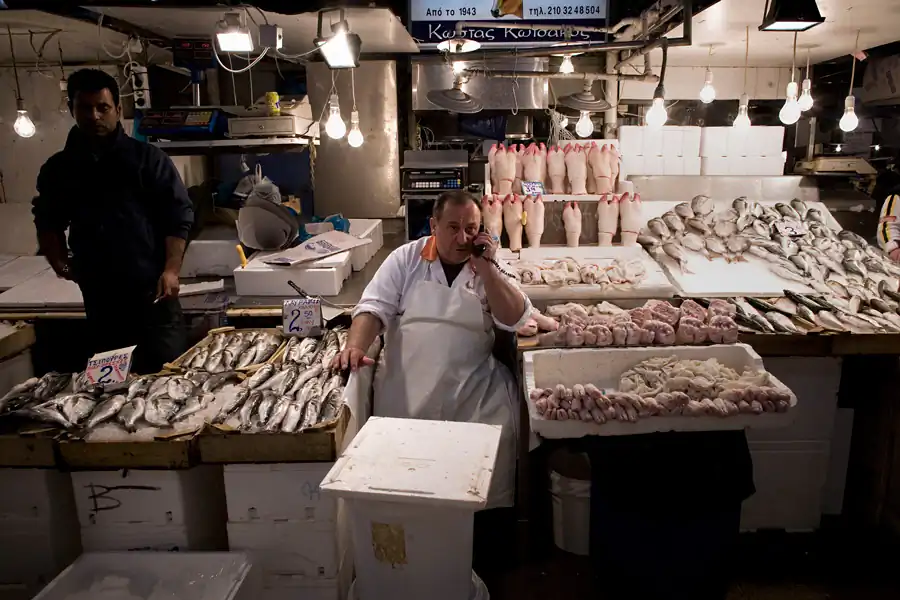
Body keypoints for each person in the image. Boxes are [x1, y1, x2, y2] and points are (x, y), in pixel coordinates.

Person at [334, 190, 531, 511]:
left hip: (472, 396)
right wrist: (355, 346)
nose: (462, 237)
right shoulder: (405, 259)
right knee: (408, 492)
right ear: (433, 225)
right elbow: (372, 308)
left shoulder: (488, 263)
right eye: (453, 227)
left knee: (474, 487)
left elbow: (515, 317)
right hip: (406, 397)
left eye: (471, 228)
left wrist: (488, 269)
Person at [32, 68, 194, 373]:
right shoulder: (60, 168)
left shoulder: (148, 159)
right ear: (72, 110)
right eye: (85, 108)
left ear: (118, 110)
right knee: (109, 383)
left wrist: (172, 271)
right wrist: (57, 259)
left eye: (102, 108)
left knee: (167, 375)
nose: (94, 116)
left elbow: (178, 216)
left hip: (153, 294)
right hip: (100, 297)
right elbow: (46, 218)